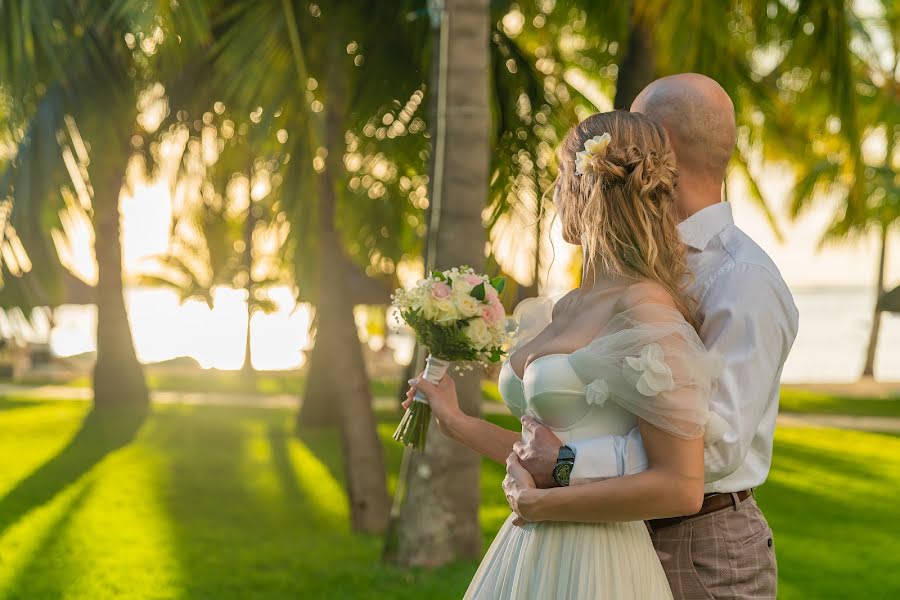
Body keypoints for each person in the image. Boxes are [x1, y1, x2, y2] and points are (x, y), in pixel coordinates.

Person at [406, 107, 725, 598]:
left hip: (598, 565)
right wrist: (457, 421)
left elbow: (681, 486)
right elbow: (540, 453)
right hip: (526, 556)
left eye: (561, 178)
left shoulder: (644, 308)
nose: (554, 196)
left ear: (588, 188)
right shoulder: (568, 306)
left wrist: (542, 507)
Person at [504, 73, 800, 599]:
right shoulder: (631, 264)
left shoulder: (742, 280)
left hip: (701, 548)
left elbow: (715, 449)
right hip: (615, 530)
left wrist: (569, 467)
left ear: (659, 141)